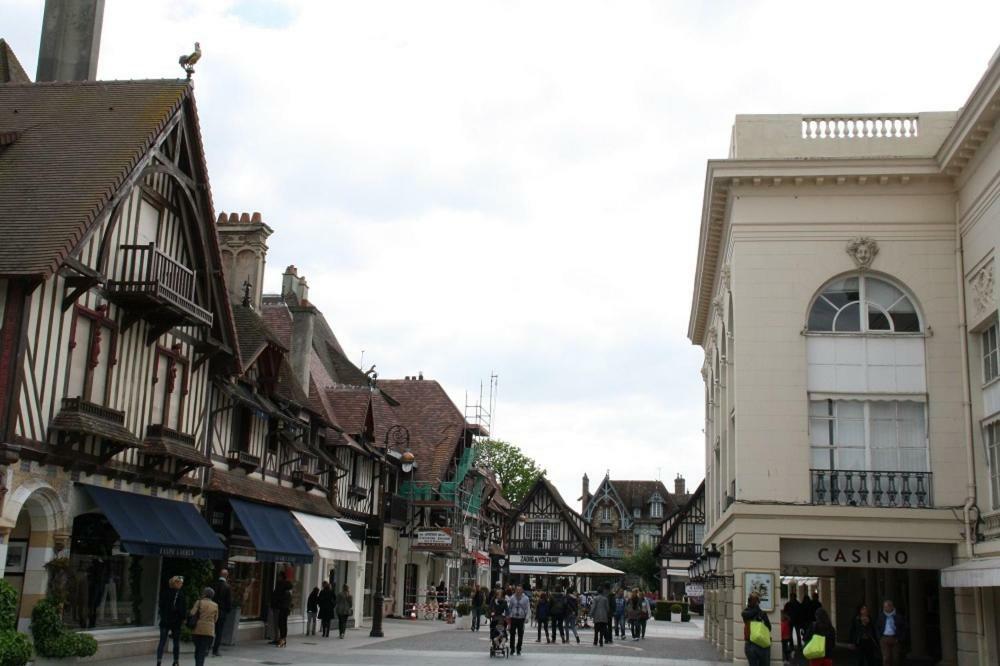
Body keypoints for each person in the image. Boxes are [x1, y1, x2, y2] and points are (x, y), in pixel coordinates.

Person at [156, 576, 185, 666]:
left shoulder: (164, 593)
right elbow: (182, 610)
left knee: (162, 641)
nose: (181, 584)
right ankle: (176, 660)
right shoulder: (180, 595)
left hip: (165, 621)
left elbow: (160, 606)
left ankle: (159, 661)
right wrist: (183, 618)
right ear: (176, 583)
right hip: (176, 622)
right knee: (176, 642)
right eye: (180, 583)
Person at [189, 587, 219, 666]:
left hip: (198, 629)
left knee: (198, 649)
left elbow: (192, 613)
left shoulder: (199, 602)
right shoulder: (215, 605)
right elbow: (216, 619)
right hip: (209, 631)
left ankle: (198, 663)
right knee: (202, 650)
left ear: (204, 594)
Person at [876, 600, 908, 666]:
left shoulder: (898, 616)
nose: (884, 608)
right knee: (886, 658)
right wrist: (880, 637)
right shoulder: (881, 616)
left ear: (891, 607)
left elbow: (904, 628)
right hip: (884, 638)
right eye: (884, 607)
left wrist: (900, 638)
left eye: (886, 607)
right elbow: (877, 627)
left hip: (895, 638)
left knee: (896, 658)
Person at [742, 593, 771, 666]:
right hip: (762, 644)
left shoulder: (745, 613)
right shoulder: (761, 613)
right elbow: (769, 628)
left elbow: (748, 614)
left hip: (750, 643)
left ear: (749, 601)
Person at [211, 569, 231, 657]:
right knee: (219, 632)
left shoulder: (214, 584)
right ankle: (215, 650)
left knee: (210, 630)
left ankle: (207, 648)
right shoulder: (227, 587)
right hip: (222, 612)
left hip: (212, 611)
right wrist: (227, 610)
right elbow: (229, 601)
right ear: (226, 575)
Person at [506, 584, 530, 656]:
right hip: (513, 618)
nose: (518, 591)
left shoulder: (526, 598)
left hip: (521, 618)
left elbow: (527, 608)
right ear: (515, 590)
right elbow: (509, 608)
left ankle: (519, 649)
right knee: (512, 634)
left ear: (522, 590)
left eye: (520, 590)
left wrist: (527, 617)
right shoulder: (512, 598)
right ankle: (512, 649)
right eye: (517, 590)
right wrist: (508, 617)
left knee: (520, 635)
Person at [271, 571, 293, 647]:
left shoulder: (281, 588)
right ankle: (282, 639)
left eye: (279, 576)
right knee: (282, 624)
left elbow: (277, 597)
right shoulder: (288, 591)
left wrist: (275, 603)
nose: (278, 578)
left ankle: (282, 639)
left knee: (281, 624)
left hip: (281, 608)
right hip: (284, 608)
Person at [489, 588, 509, 654]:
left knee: (503, 629)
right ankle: (494, 641)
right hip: (495, 618)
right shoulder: (493, 601)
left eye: (500, 594)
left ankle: (501, 642)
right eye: (498, 594)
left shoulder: (504, 602)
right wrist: (492, 612)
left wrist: (506, 615)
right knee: (493, 628)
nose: (499, 595)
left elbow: (507, 610)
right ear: (496, 595)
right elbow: (490, 608)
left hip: (502, 618)